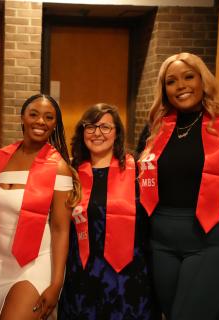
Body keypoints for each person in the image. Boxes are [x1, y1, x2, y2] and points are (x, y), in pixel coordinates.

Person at [137, 52, 219, 319]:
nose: (181, 86)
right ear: (164, 89)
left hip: (215, 239)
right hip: (162, 242)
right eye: (171, 81)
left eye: (189, 77)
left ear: (203, 80)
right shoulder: (155, 129)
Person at [0, 94, 80, 320]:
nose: (40, 121)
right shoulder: (1, 157)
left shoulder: (59, 167)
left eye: (49, 117)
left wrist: (56, 283)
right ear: (22, 118)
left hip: (35, 263)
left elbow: (60, 228)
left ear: (55, 124)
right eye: (34, 114)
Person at [58, 103, 156, 319]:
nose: (97, 133)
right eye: (91, 127)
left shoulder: (138, 171)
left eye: (105, 127)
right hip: (82, 274)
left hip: (129, 277)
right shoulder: (71, 173)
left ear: (117, 133)